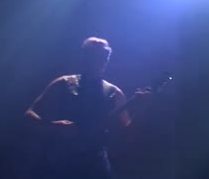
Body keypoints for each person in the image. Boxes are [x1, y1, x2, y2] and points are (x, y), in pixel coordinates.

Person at [24, 37, 130, 179]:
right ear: (84, 57)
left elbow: (128, 132)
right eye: (93, 56)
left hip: (94, 166)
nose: (98, 61)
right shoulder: (63, 83)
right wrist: (54, 126)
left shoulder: (114, 92)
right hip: (58, 162)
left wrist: (143, 106)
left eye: (103, 57)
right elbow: (29, 115)